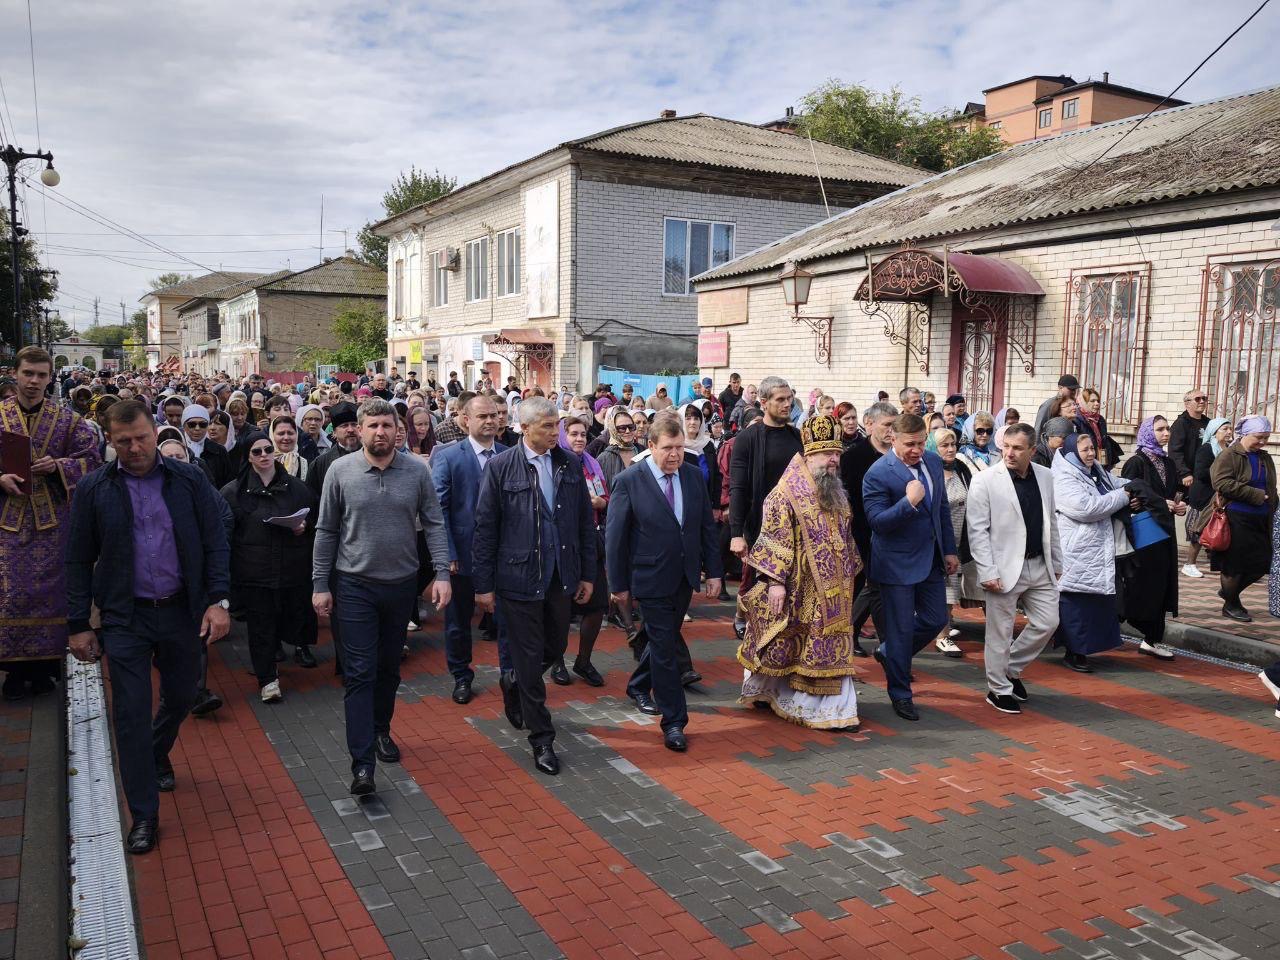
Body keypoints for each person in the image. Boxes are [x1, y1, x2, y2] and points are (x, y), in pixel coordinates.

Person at [66, 399, 231, 854]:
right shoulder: (95, 490)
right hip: (126, 618)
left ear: (153, 431)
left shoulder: (189, 480)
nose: (135, 448)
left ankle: (158, 750)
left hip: (182, 612)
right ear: (110, 441)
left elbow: (215, 542)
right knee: (130, 715)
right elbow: (77, 559)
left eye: (141, 437)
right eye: (124, 442)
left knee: (181, 696)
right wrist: (78, 624)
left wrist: (217, 601)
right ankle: (143, 814)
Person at [312, 399, 452, 796]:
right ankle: (362, 765)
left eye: (387, 425)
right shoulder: (340, 471)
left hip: (401, 585)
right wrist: (320, 584)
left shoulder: (417, 472)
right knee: (359, 673)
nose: (380, 432)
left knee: (389, 669)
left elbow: (435, 522)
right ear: (359, 429)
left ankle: (380, 730)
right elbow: (326, 531)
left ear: (398, 429)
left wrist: (442, 573)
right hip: (354, 585)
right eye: (373, 425)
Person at [472, 397, 596, 776]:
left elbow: (583, 526)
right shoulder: (500, 467)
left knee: (556, 646)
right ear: (524, 428)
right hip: (518, 578)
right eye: (546, 426)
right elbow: (485, 528)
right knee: (528, 657)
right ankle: (542, 738)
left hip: (561, 576)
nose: (555, 432)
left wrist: (587, 574)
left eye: (556, 424)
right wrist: (484, 586)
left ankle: (512, 681)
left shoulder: (569, 464)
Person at [736, 415, 862, 730]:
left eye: (836, 453)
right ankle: (793, 697)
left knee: (819, 642)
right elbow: (774, 537)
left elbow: (844, 534)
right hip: (798, 584)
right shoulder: (784, 494)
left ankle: (827, 706)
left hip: (835, 586)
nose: (833, 460)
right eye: (825, 454)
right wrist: (775, 582)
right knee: (791, 642)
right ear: (808, 455)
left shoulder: (834, 489)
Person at [608, 414, 722, 752]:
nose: (675, 455)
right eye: (668, 448)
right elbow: (615, 539)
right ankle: (674, 722)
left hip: (684, 577)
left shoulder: (690, 476)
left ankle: (638, 684)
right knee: (666, 648)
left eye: (680, 448)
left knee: (665, 640)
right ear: (651, 446)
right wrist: (618, 585)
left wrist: (714, 571)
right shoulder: (630, 480)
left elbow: (704, 528)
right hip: (650, 578)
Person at [0, 347, 102, 699]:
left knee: (50, 595)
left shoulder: (68, 421)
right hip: (7, 524)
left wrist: (59, 465)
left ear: (50, 378)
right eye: (28, 373)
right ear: (15, 373)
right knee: (11, 594)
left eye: (42, 375)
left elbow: (91, 460)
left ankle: (45, 668)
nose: (34, 381)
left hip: (52, 524)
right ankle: (13, 671)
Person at [862, 413, 958, 722]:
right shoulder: (878, 473)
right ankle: (900, 694)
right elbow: (877, 522)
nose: (917, 450)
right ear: (893, 439)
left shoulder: (931, 461)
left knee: (935, 619)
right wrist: (908, 503)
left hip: (930, 559)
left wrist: (950, 550)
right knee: (902, 630)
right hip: (895, 563)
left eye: (921, 442)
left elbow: (941, 508)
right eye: (910, 444)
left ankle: (890, 653)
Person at [965, 422, 1061, 713]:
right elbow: (977, 531)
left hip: (1039, 564)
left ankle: (1009, 669)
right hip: (1003, 568)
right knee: (1000, 632)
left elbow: (1051, 521)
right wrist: (987, 571)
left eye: (1017, 448)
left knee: (1049, 622)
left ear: (1032, 450)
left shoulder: (1045, 476)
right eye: (1006, 446)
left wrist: (1057, 560)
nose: (1009, 453)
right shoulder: (985, 480)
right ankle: (997, 690)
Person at [430, 395, 513, 712]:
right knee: (457, 622)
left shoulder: (509, 455)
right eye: (482, 416)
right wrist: (447, 551)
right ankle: (461, 675)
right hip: (462, 557)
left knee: (507, 620)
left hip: (503, 556)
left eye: (494, 415)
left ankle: (510, 676)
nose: (490, 421)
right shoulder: (449, 457)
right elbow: (439, 509)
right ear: (465, 420)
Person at [221, 432, 319, 696]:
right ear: (247, 456)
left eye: (268, 449)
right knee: (260, 626)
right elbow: (225, 535)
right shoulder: (233, 492)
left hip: (291, 569)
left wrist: (303, 526)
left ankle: (289, 652)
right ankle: (267, 680)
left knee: (290, 617)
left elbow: (314, 519)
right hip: (254, 572)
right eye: (257, 452)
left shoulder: (296, 487)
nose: (264, 455)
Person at [1052, 432, 1134, 673]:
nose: (1090, 454)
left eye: (1092, 449)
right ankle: (1074, 651)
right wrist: (1124, 496)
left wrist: (1133, 487)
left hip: (1096, 548)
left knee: (1095, 602)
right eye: (1085, 450)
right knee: (1075, 602)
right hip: (1076, 549)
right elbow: (1086, 508)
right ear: (1071, 452)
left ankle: (1086, 648)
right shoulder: (1063, 476)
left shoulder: (1094, 469)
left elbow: (1115, 483)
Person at [729, 377, 804, 638]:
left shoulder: (797, 437)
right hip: (760, 526)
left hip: (795, 527)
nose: (787, 404)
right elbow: (738, 488)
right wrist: (736, 533)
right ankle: (746, 620)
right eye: (780, 400)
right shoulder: (748, 439)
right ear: (764, 403)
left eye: (789, 399)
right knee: (758, 584)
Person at [551, 417, 610, 686]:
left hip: (590, 541)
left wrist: (601, 502)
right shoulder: (553, 464)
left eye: (583, 434)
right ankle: (556, 661)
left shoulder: (591, 463)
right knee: (560, 610)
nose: (579, 439)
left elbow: (605, 494)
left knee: (597, 604)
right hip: (562, 544)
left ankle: (583, 660)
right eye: (573, 434)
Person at [1119, 416, 1181, 659]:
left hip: (1164, 531)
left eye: (1167, 429)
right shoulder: (1137, 462)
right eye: (1160, 429)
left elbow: (1174, 494)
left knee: (1162, 582)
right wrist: (1157, 503)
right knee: (1141, 582)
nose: (1165, 433)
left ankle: (1152, 638)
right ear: (1147, 432)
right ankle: (1129, 624)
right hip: (1144, 533)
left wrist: (1178, 505)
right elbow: (1128, 495)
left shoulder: (1168, 462)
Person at [840, 401, 897, 655]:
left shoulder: (899, 456)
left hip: (892, 536)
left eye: (895, 426)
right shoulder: (852, 457)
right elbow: (846, 498)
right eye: (887, 425)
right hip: (860, 535)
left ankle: (888, 649)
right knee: (865, 589)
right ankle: (853, 638)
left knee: (880, 592)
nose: (891, 431)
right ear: (870, 424)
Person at [1211, 416, 1276, 623]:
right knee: (1235, 565)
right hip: (1236, 517)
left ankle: (1230, 593)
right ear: (1246, 434)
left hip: (1261, 518)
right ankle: (1230, 603)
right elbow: (1221, 482)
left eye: (1266, 437)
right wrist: (1255, 495)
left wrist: (1273, 502)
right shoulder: (1230, 455)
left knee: (1262, 563)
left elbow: (1270, 487)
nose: (1263, 442)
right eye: (1259, 437)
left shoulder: (1265, 457)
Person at [926, 427, 973, 659]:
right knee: (945, 588)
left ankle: (942, 627)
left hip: (959, 537)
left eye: (953, 444)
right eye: (945, 445)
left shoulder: (961, 469)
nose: (951, 449)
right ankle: (942, 636)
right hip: (938, 540)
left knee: (952, 586)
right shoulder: (929, 471)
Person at [1185, 417, 1231, 576]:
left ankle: (1220, 565)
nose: (1228, 432)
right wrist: (1222, 476)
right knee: (1198, 530)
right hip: (1203, 496)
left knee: (1218, 530)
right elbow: (1200, 473)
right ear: (1214, 431)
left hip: (1220, 496)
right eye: (1224, 429)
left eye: (1229, 429)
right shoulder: (1206, 449)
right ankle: (1189, 564)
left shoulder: (1228, 449)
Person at [306, 402, 360, 497]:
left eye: (354, 424)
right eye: (344, 426)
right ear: (334, 431)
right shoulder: (319, 464)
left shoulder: (374, 457)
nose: (350, 429)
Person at [1169, 388, 1210, 494]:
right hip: (1187, 478)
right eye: (1197, 399)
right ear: (1187, 404)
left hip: (1204, 475)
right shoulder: (1181, 424)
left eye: (1204, 398)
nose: (1202, 401)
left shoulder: (1209, 423)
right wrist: (1184, 473)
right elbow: (1175, 451)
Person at [181, 403, 233, 488]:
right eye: (192, 424)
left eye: (203, 424)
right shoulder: (177, 449)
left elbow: (227, 483)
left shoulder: (219, 451)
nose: (197, 428)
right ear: (184, 425)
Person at [1077, 388, 1120, 470]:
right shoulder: (1077, 420)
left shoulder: (1100, 419)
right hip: (1084, 464)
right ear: (1083, 402)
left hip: (1101, 463)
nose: (1097, 404)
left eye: (1098, 401)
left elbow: (1103, 441)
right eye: (1092, 401)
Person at [270, 416, 309, 481]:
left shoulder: (305, 464)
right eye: (281, 434)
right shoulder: (264, 461)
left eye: (290, 433)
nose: (286, 438)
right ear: (272, 435)